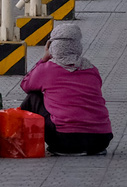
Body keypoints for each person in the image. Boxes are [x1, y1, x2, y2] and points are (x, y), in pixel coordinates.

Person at [21, 23, 113, 155]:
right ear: (78, 47)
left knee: (33, 97)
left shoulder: (47, 69)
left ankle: (18, 140)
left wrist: (44, 58)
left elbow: (26, 85)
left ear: (52, 47)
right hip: (101, 139)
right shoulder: (92, 69)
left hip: (64, 139)